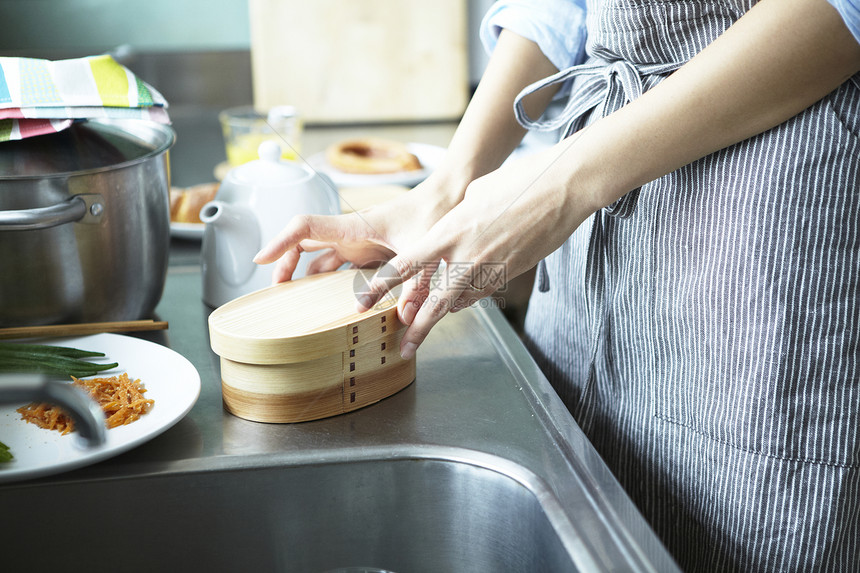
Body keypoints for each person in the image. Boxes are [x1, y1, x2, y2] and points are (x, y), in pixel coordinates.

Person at [254, 0, 860, 569]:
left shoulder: (572, 186)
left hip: (767, 211)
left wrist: (564, 185)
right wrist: (446, 189)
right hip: (594, 194)